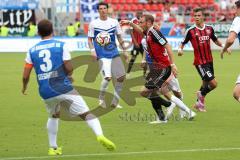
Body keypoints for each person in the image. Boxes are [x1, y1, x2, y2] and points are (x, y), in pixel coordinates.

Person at [22, 19, 116, 156]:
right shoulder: (61, 45)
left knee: (54, 115)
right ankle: (100, 135)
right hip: (63, 87)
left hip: (45, 91)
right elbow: (69, 68)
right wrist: (68, 76)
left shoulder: (31, 51)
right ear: (52, 30)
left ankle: (52, 148)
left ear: (38, 32)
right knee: (87, 114)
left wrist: (24, 87)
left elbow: (25, 75)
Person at [121, 14, 196, 123]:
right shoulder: (148, 32)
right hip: (156, 69)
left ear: (148, 23)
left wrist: (173, 64)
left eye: (141, 22)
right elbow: (138, 30)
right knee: (158, 91)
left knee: (146, 92)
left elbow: (167, 46)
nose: (140, 24)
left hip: (162, 68)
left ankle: (179, 108)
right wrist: (129, 23)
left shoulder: (154, 33)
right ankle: (163, 117)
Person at [178, 7, 229, 112]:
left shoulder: (209, 28)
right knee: (213, 84)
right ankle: (201, 94)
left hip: (210, 60)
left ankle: (199, 104)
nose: (196, 17)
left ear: (203, 17)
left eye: (199, 15)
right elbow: (182, 42)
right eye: (195, 16)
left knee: (205, 84)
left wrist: (224, 46)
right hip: (200, 63)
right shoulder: (191, 30)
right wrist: (180, 49)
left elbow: (215, 40)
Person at [88, 2, 128, 109]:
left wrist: (124, 50)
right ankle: (101, 98)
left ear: (107, 9)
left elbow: (119, 37)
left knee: (121, 77)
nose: (103, 10)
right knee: (107, 78)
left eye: (104, 8)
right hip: (101, 54)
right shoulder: (94, 23)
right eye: (100, 9)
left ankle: (115, 101)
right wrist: (92, 51)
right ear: (98, 10)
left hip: (114, 52)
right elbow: (89, 39)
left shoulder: (114, 22)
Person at [221, 0, 240, 102]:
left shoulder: (238, 19)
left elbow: (230, 39)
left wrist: (224, 49)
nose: (234, 11)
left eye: (235, 8)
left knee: (237, 93)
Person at [126, 11, 146, 78]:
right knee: (133, 58)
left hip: (143, 43)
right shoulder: (133, 21)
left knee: (145, 59)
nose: (140, 15)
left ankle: (145, 73)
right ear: (136, 14)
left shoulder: (143, 21)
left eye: (141, 14)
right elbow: (131, 32)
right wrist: (135, 42)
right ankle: (128, 72)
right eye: (138, 14)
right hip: (136, 43)